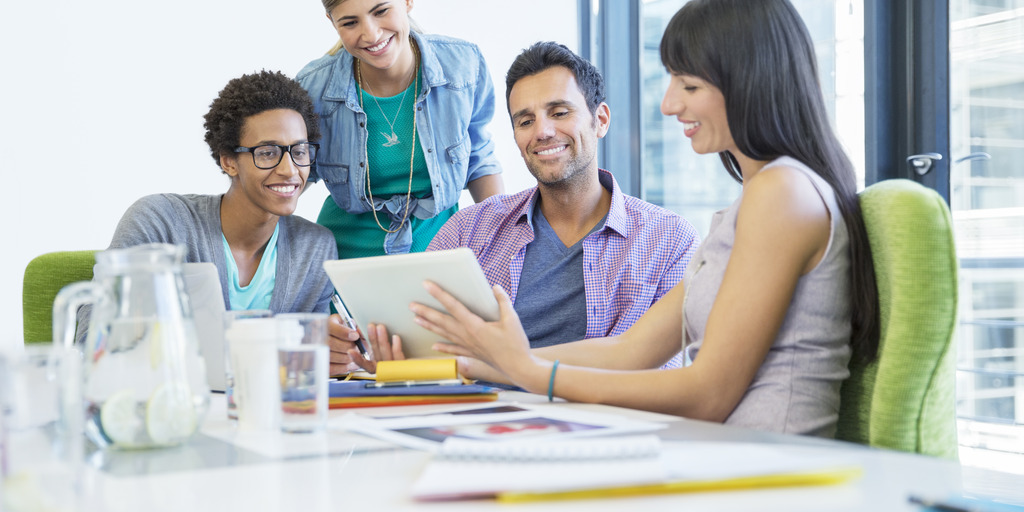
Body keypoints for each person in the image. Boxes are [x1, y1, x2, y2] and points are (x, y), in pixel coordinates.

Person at [407, 0, 880, 438]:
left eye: (689, 85)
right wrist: (488, 360)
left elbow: (708, 396)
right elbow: (628, 351)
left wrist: (531, 373)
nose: (669, 103)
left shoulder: (782, 193)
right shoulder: (759, 199)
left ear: (749, 82)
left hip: (757, 473)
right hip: (719, 457)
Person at [335, 42, 701, 376]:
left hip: (602, 425)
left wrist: (502, 365)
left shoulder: (667, 239)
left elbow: (656, 372)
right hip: (478, 419)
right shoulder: (470, 230)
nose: (542, 132)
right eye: (525, 121)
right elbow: (426, 347)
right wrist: (396, 357)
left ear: (600, 120)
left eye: (559, 112)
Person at [86, 71, 337, 318]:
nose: (289, 169)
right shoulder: (159, 223)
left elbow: (313, 352)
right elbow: (98, 330)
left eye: (300, 151)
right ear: (228, 161)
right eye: (268, 152)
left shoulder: (315, 248)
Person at [297, 0, 503, 260]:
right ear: (331, 22)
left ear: (407, 2)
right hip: (343, 258)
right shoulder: (312, 88)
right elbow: (292, 174)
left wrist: (502, 244)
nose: (371, 34)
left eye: (381, 11)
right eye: (350, 22)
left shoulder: (462, 65)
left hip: (440, 248)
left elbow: (480, 159)